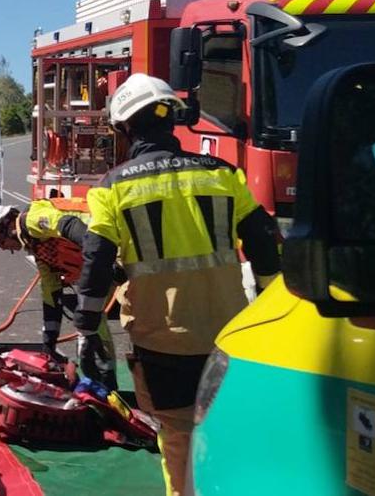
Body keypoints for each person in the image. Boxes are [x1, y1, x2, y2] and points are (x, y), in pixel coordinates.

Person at [74, 74, 281, 496]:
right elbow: (263, 239)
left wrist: (86, 327)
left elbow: (97, 263)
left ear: (125, 128)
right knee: (227, 427)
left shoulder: (112, 188)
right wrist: (269, 303)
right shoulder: (223, 174)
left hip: (162, 339)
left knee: (177, 436)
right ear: (171, 120)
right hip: (228, 332)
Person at [0, 199, 117, 389]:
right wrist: (49, 342)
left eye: (0, 243)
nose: (4, 248)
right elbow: (51, 294)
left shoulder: (32, 221)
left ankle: (107, 381)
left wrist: (101, 255)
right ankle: (106, 383)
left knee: (103, 325)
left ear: (6, 227)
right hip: (103, 262)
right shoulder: (39, 249)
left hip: (111, 246)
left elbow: (71, 225)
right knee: (92, 326)